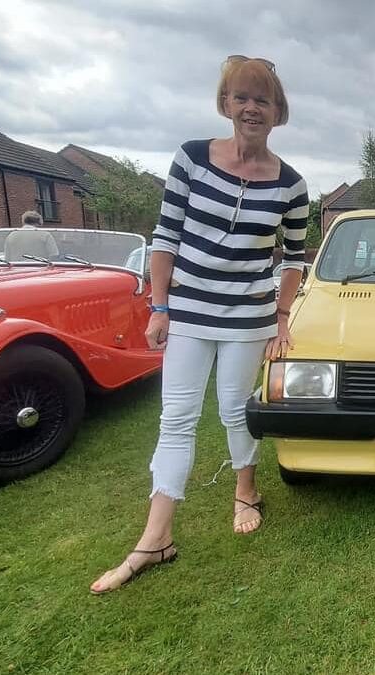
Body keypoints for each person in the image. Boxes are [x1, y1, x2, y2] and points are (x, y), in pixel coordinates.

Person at [91, 55, 309, 594]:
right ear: (225, 104)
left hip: (248, 315)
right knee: (177, 416)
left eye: (263, 99)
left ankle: (246, 490)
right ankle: (156, 538)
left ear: (278, 112)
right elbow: (166, 235)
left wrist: (281, 318)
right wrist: (159, 306)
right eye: (242, 97)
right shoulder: (191, 158)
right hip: (188, 309)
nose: (251, 107)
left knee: (235, 409)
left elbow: (294, 259)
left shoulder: (292, 184)